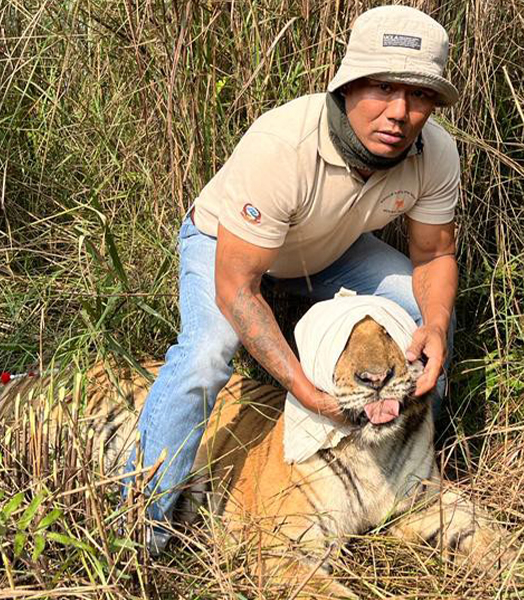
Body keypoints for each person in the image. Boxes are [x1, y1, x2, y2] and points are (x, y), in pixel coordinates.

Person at [125, 5, 461, 550]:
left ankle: (411, 479)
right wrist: (305, 390)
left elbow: (435, 256)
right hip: (227, 248)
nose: (398, 112)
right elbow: (239, 289)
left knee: (418, 309)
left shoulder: (436, 151)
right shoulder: (284, 144)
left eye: (419, 95)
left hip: (329, 248)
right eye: (380, 87)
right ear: (347, 84)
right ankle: (142, 531)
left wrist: (438, 328)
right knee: (206, 355)